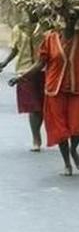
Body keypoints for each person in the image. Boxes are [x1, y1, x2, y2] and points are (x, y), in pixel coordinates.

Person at [9, 14, 79, 176]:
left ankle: (73, 150)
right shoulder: (49, 39)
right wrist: (22, 77)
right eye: (66, 20)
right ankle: (67, 164)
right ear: (59, 22)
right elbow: (40, 63)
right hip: (55, 90)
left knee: (76, 127)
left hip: (77, 89)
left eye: (72, 20)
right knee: (60, 128)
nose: (68, 23)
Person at [0, 14, 44, 151]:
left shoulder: (45, 28)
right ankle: (36, 138)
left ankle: (37, 134)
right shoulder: (18, 29)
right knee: (33, 107)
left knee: (41, 106)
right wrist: (4, 63)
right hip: (24, 70)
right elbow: (15, 49)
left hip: (43, 69)